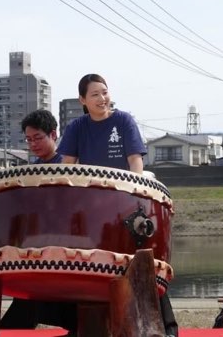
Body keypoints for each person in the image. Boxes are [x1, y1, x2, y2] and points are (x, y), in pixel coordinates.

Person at [58, 74, 178, 337]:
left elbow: (135, 162)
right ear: (82, 100)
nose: (102, 98)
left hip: (124, 204)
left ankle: (167, 327)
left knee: (142, 263)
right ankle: (86, 327)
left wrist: (133, 194)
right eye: (95, 95)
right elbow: (67, 166)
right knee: (88, 265)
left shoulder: (122, 120)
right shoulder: (77, 127)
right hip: (90, 205)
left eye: (105, 92)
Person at [0, 109, 77, 335]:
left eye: (38, 138)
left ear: (54, 135)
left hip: (65, 240)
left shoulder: (68, 163)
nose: (33, 144)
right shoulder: (32, 169)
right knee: (33, 289)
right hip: (39, 240)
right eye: (29, 139)